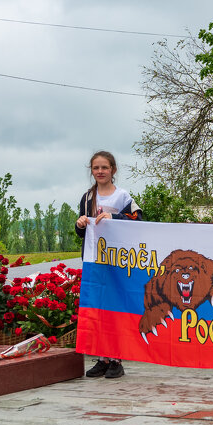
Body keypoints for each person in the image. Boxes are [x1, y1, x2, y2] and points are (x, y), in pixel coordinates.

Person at [75, 151, 142, 379]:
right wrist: (81, 222)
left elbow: (138, 221)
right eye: (96, 168)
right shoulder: (87, 197)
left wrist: (116, 219)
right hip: (95, 262)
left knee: (115, 310)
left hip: (117, 262)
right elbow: (80, 230)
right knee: (97, 309)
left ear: (113, 169)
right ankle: (102, 358)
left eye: (104, 167)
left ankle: (116, 359)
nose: (100, 172)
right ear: (91, 171)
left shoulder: (122, 197)